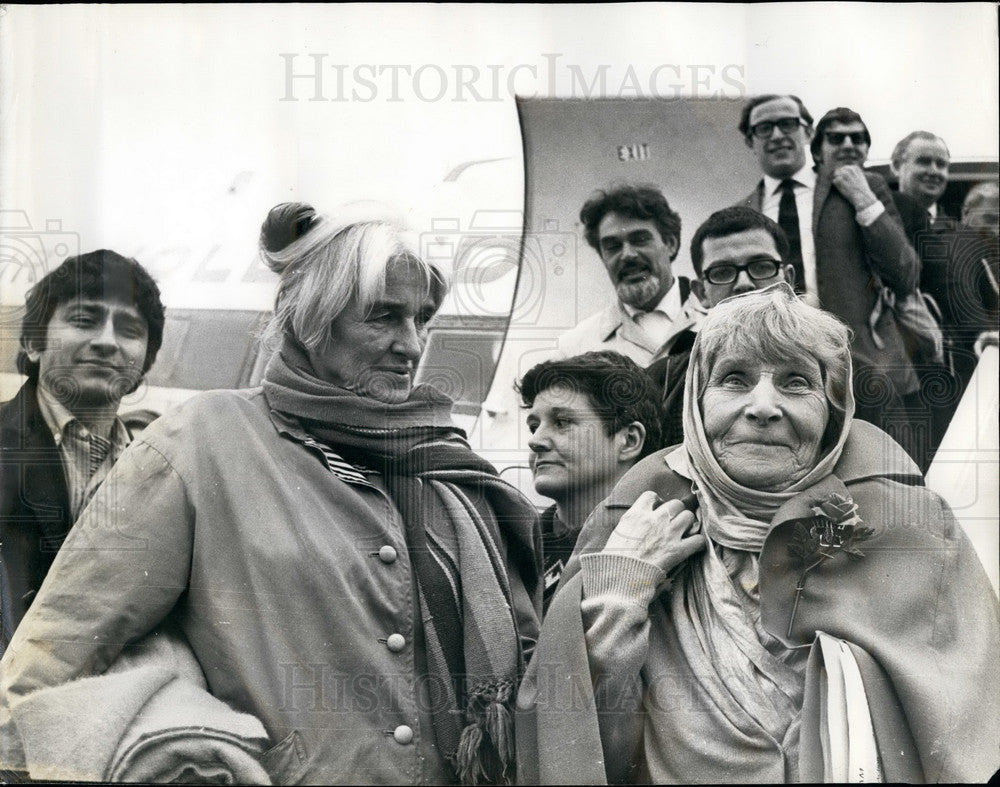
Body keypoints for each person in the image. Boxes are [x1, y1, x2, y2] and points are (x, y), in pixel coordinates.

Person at [0, 203, 541, 785]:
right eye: (383, 317)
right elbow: (56, 651)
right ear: (313, 320)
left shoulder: (445, 466)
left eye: (422, 319)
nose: (411, 345)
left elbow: (528, 659)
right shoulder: (203, 439)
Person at [516, 284, 999, 784]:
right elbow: (576, 752)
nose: (763, 406)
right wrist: (619, 595)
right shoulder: (630, 527)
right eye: (734, 379)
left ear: (834, 413)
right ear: (697, 404)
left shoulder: (913, 532)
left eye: (796, 382)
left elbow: (970, 740)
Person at [0, 250, 165, 654]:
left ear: (144, 360)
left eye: (129, 329)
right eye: (84, 320)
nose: (107, 342)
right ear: (33, 342)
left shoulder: (163, 464)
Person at [517, 351, 662, 613]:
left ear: (629, 441)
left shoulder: (663, 546)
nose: (535, 441)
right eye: (534, 426)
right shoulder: (513, 550)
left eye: (562, 422)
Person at [646, 207, 795, 447]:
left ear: (788, 279)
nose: (744, 284)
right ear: (701, 293)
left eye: (761, 266)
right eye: (723, 272)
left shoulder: (843, 370)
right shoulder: (661, 383)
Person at [556, 184, 700, 367]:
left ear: (670, 244)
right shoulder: (574, 349)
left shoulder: (716, 319)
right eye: (612, 246)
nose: (627, 255)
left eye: (640, 240)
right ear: (602, 257)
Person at [891, 130, 952, 220]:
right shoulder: (875, 223)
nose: (934, 172)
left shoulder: (960, 229)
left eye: (941, 164)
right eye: (924, 162)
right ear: (897, 166)